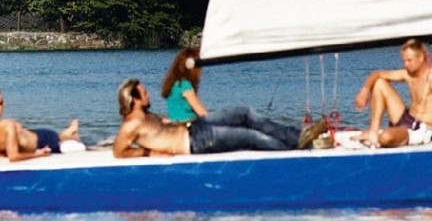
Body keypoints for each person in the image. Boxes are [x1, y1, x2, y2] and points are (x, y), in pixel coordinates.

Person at [111, 78, 303, 158]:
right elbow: (119, 152)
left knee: (245, 114)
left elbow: (160, 128)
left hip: (195, 127)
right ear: (134, 99)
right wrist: (149, 153)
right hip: (196, 142)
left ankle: (299, 137)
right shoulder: (131, 125)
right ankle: (293, 152)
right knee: (250, 136)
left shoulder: (146, 116)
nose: (149, 95)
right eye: (144, 93)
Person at [353, 38, 432, 147]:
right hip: (407, 118)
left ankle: (394, 135)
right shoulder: (407, 74)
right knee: (380, 83)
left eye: (409, 60)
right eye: (404, 61)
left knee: (386, 138)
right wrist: (364, 90)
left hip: (421, 128)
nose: (406, 64)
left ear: (421, 58)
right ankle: (373, 130)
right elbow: (377, 74)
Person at [0, 88, 80, 162]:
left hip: (38, 136)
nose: (4, 105)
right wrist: (38, 154)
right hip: (41, 142)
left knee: (64, 137)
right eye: (0, 103)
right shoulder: (7, 125)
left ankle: (69, 132)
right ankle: (70, 132)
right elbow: (13, 156)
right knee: (67, 138)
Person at [162, 46, 208, 122]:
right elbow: (201, 111)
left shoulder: (174, 84)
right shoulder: (185, 85)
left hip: (175, 126)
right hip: (187, 127)